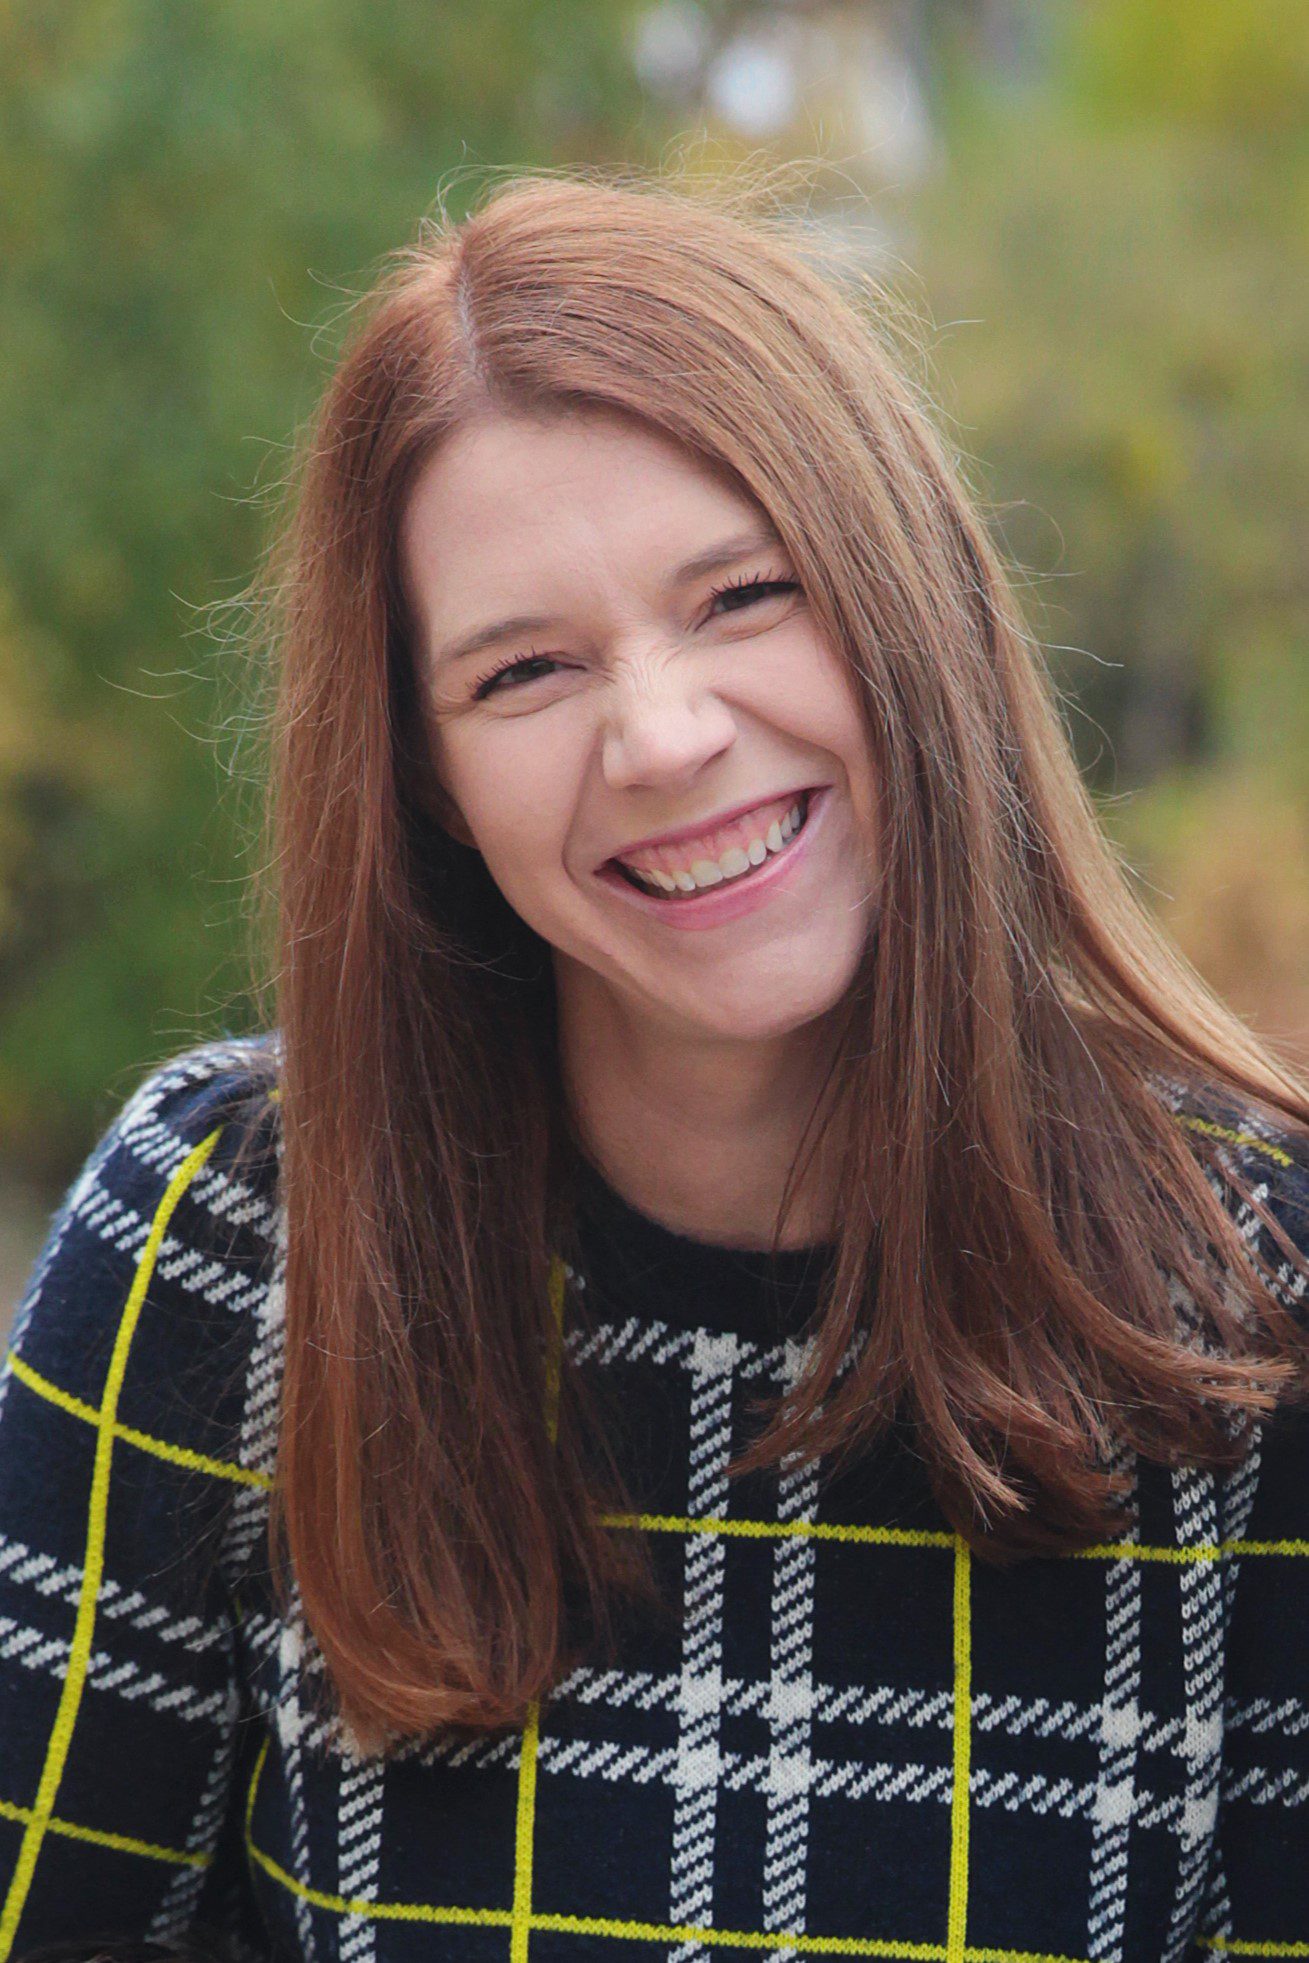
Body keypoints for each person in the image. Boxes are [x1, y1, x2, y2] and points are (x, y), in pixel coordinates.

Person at [0, 168, 1307, 1963]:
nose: (664, 734)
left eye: (742, 595)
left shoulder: (1251, 1293)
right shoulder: (229, 1248)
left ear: (908, 608)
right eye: (523, 670)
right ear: (429, 783)